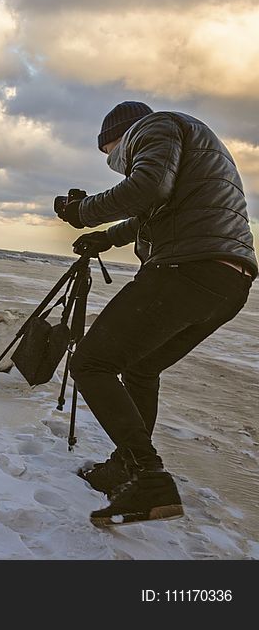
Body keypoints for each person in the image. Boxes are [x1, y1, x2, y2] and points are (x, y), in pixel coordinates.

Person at [55, 101, 257, 527]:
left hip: (187, 268)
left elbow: (148, 189)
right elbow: (152, 211)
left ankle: (148, 477)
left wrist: (81, 210)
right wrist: (103, 238)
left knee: (91, 362)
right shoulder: (188, 141)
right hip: (228, 283)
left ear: (117, 136)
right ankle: (124, 467)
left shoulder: (154, 126)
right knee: (142, 369)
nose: (114, 163)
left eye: (109, 153)